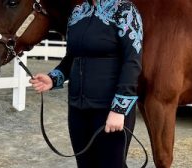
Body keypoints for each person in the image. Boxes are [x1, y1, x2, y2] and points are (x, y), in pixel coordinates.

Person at [29, 0, 143, 167]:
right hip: (77, 109)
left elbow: (132, 61)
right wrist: (53, 78)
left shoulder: (125, 10)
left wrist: (119, 109)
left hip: (110, 110)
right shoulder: (77, 13)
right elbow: (71, 58)